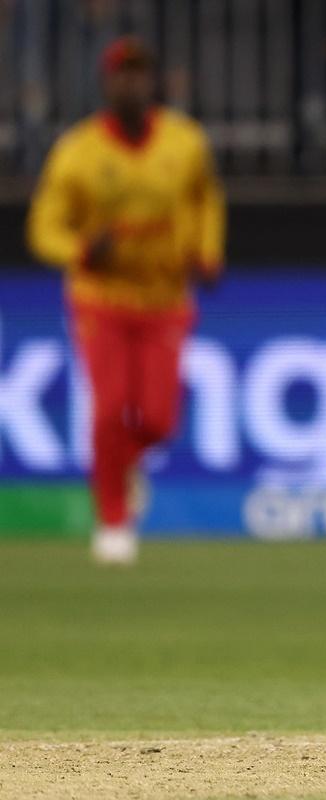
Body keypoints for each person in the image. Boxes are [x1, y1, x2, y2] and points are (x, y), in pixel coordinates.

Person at [27, 36, 226, 566]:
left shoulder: (184, 143)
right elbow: (45, 228)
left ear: (152, 82)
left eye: (139, 74)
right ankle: (113, 521)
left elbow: (206, 200)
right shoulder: (78, 151)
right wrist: (82, 250)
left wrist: (207, 251)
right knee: (112, 407)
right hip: (102, 298)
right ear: (106, 83)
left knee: (160, 420)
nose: (130, 84)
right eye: (121, 74)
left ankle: (123, 467)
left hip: (164, 296)